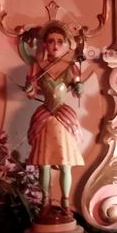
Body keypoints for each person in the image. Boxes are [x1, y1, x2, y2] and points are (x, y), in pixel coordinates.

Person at [24, 21, 85, 215]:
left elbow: (77, 90)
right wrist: (29, 88)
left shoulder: (71, 66)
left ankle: (66, 202)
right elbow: (31, 93)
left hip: (63, 117)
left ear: (66, 44)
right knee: (44, 164)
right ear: (45, 44)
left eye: (60, 41)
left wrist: (78, 87)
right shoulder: (37, 66)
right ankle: (45, 201)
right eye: (51, 41)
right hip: (45, 117)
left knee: (65, 163)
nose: (55, 45)